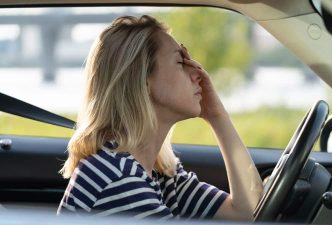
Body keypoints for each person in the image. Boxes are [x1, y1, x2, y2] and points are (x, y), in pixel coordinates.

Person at [57, 15, 263, 220]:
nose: (197, 72)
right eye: (180, 62)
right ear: (143, 80)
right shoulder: (119, 180)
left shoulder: (158, 174)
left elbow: (246, 212)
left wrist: (217, 115)